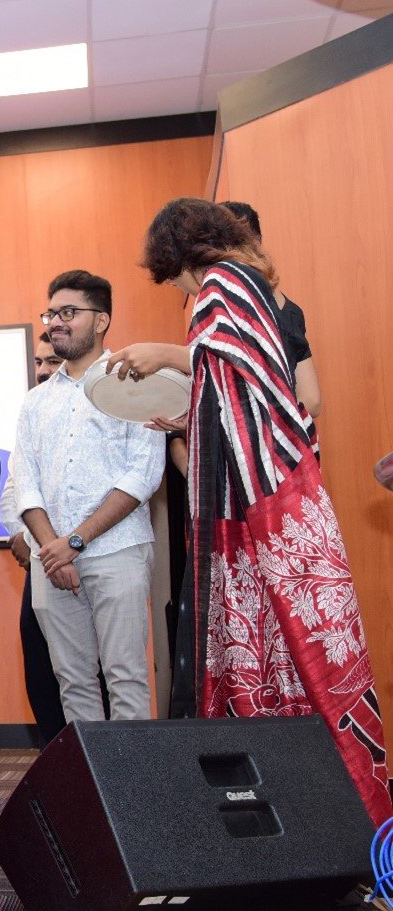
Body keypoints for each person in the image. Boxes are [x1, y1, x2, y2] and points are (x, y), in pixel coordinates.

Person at [131, 197, 390, 824]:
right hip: (259, 505)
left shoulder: (224, 283)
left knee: (307, 646)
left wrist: (167, 355)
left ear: (181, 255)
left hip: (270, 504)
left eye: (172, 276)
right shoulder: (247, 284)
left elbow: (250, 372)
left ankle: (353, 812)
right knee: (278, 649)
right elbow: (239, 387)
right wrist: (194, 413)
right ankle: (312, 809)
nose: (179, 289)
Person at [13, 270, 164, 724]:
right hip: (51, 561)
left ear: (102, 321)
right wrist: (53, 551)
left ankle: (134, 795)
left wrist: (74, 542)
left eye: (69, 312)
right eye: (52, 312)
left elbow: (142, 476)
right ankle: (93, 793)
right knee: (73, 683)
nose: (56, 322)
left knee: (126, 679)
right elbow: (25, 483)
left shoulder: (136, 382)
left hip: (117, 551)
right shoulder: (35, 402)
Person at [1, 331, 67, 746]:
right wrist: (18, 534)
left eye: (52, 363)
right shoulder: (32, 410)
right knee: (40, 662)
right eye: (39, 363)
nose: (41, 371)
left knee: (91, 670)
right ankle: (52, 752)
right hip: (42, 560)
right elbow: (16, 486)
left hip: (91, 557)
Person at [220, 200, 321, 417]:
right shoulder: (286, 308)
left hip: (267, 442)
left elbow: (312, 401)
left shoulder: (286, 311)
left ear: (257, 242)